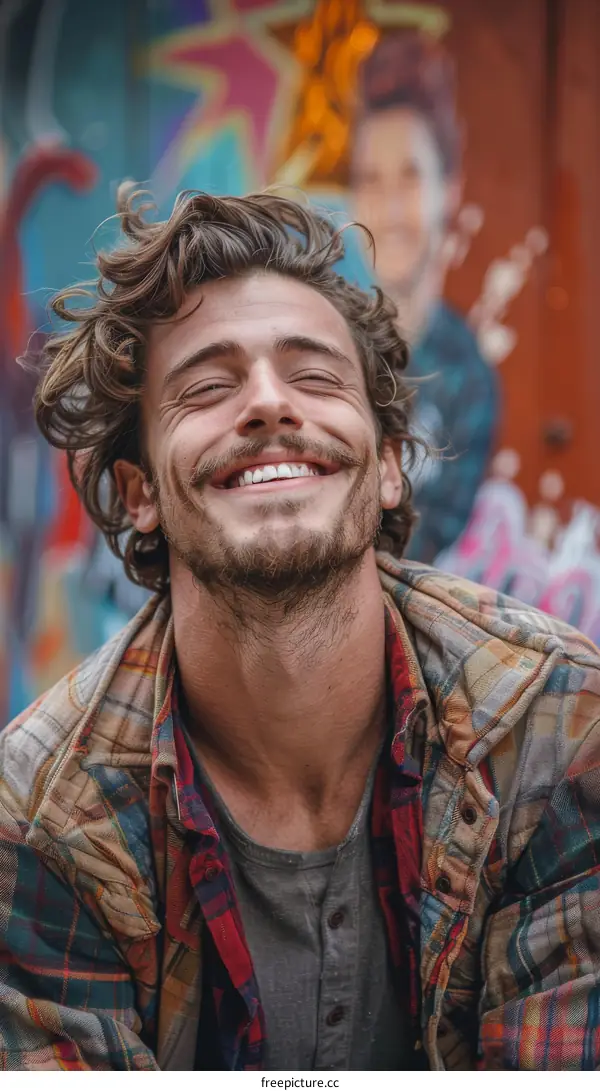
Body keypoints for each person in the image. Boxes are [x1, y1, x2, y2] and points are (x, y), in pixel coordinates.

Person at [0, 187, 599, 1073]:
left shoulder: (553, 726)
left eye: (315, 375)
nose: (269, 404)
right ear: (140, 494)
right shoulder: (42, 821)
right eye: (208, 386)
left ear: (390, 464)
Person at [351, 30, 498, 562]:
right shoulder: (320, 344)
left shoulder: (468, 377)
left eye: (410, 177)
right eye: (370, 179)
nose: (388, 210)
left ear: (449, 189)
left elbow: (425, 543)